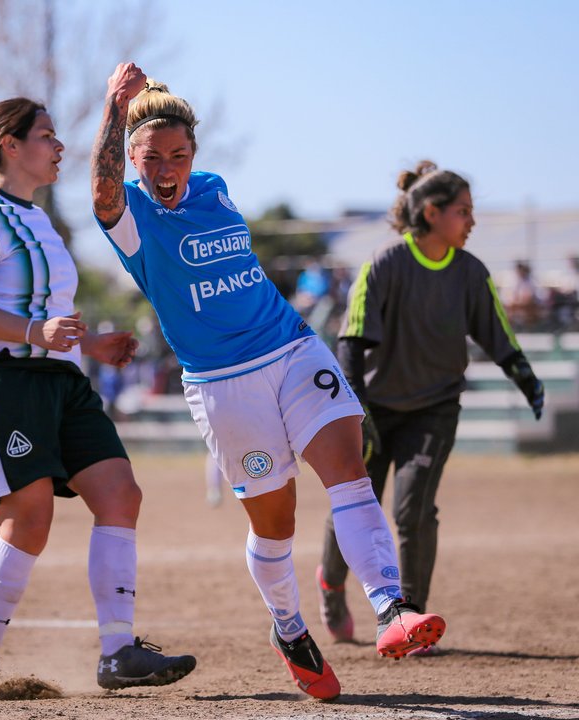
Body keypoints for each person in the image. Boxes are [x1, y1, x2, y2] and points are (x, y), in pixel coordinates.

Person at [90, 62, 446, 701]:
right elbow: (103, 195)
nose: (166, 168)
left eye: (178, 154)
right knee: (275, 520)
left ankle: (393, 610)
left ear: (194, 154)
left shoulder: (216, 187)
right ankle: (289, 628)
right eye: (151, 158)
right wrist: (115, 111)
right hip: (224, 386)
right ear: (132, 158)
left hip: (291, 348)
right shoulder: (131, 218)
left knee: (350, 475)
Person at [0, 97, 195, 693]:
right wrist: (33, 333)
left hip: (63, 383)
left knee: (120, 493)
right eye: (46, 135)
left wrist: (88, 345)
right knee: (29, 521)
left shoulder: (39, 219)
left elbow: (44, 314)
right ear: (10, 147)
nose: (58, 145)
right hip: (2, 383)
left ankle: (119, 653)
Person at [316, 161, 545, 654]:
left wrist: (526, 379)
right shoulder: (384, 264)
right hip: (374, 407)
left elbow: (498, 336)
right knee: (357, 507)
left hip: (435, 408)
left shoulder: (470, 272)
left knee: (414, 508)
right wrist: (358, 414)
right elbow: (350, 342)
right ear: (432, 212)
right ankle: (331, 584)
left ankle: (409, 616)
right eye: (463, 211)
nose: (472, 221)